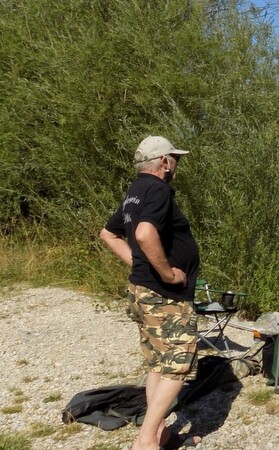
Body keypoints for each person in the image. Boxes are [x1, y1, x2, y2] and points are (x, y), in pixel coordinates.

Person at [99, 135, 201, 450]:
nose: (176, 165)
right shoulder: (157, 189)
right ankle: (146, 442)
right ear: (163, 162)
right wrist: (168, 273)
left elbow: (108, 233)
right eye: (175, 159)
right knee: (178, 364)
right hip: (164, 295)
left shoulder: (135, 192)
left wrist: (140, 263)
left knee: (158, 363)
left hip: (143, 290)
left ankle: (160, 434)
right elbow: (144, 233)